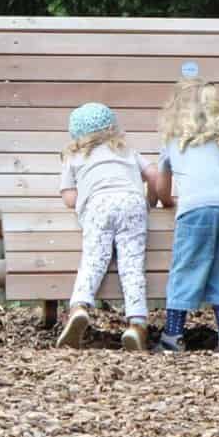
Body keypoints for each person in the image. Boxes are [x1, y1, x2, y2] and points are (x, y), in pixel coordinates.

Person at [155, 76, 219, 353]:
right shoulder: (217, 142)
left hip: (195, 209)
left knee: (186, 268)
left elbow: (162, 188)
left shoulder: (173, 143)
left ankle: (173, 334)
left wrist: (167, 202)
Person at [56, 102, 159, 351]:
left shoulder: (74, 157)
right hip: (132, 205)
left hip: (98, 206)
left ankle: (80, 307)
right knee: (132, 266)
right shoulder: (126, 150)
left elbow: (70, 198)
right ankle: (137, 324)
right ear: (112, 129)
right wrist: (150, 201)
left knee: (93, 260)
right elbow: (154, 175)